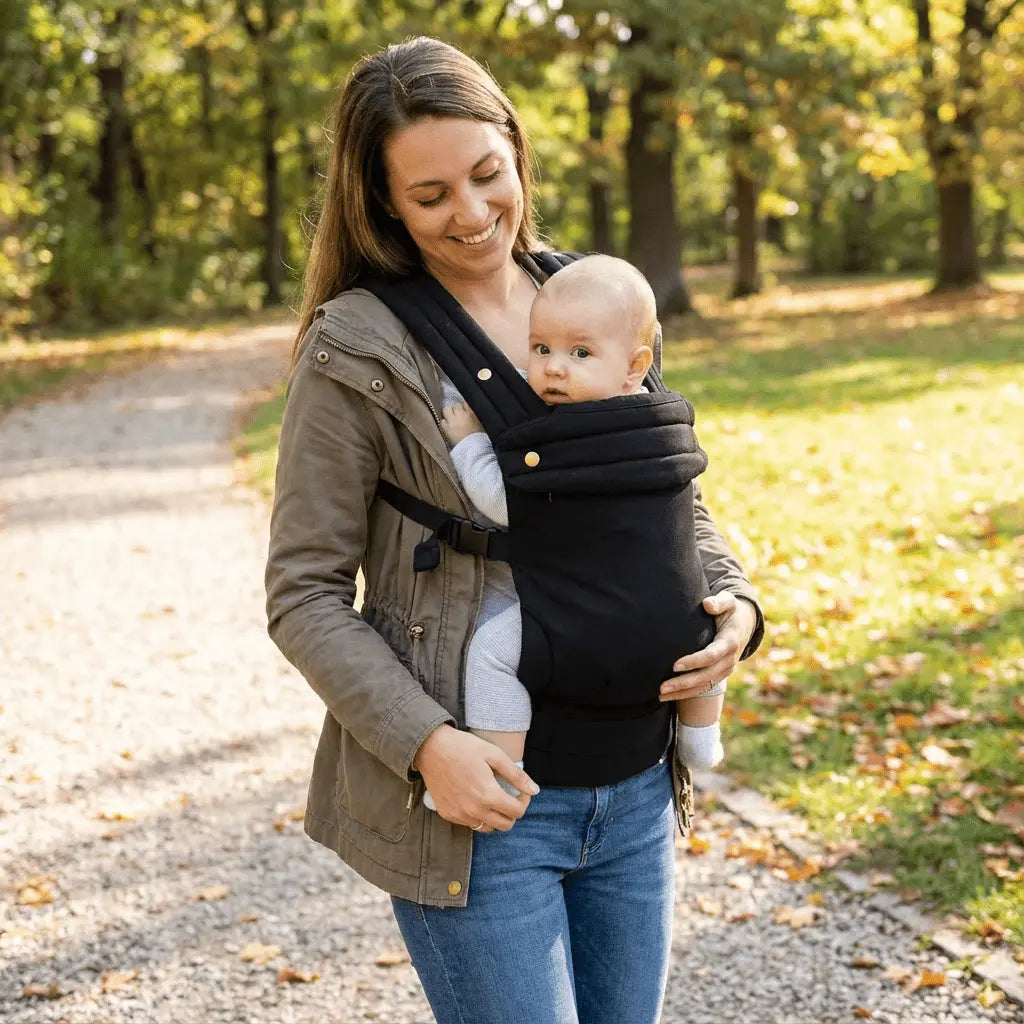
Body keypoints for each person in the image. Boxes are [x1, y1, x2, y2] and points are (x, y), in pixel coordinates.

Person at [265, 35, 763, 1024]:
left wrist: (736, 602)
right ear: (384, 205)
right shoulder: (358, 347)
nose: (473, 213)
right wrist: (426, 745)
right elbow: (303, 594)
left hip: (632, 784)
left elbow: (666, 492)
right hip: (480, 809)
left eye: (488, 175)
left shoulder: (595, 297)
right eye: (431, 195)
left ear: (517, 153)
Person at [423, 253, 724, 821]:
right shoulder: (662, 422)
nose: (555, 369)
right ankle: (700, 737)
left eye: (580, 354)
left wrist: (469, 441)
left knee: (490, 652)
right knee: (701, 633)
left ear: (636, 365)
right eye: (541, 350)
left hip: (579, 618)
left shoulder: (572, 436)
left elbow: (505, 504)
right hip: (673, 611)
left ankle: (499, 774)